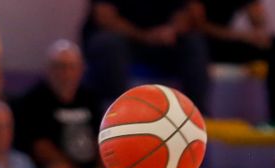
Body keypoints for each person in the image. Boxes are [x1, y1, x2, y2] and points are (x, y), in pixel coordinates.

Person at [14, 40, 100, 168]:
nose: (66, 73)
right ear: (48, 69)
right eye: (60, 67)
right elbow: (41, 149)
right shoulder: (34, 99)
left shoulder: (89, 98)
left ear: (80, 69)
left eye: (71, 67)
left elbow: (101, 138)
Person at [82, 0, 211, 112]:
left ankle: (196, 115)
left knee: (194, 43)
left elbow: (193, 13)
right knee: (108, 43)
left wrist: (172, 29)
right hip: (125, 39)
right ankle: (115, 114)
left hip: (164, 40)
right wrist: (144, 36)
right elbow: (104, 17)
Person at [196, 0, 275, 126]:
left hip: (226, 43)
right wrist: (240, 35)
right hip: (199, 43)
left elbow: (258, 20)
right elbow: (197, 25)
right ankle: (197, 117)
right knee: (195, 45)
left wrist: (260, 35)